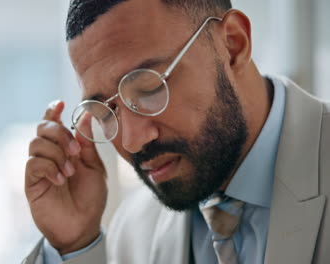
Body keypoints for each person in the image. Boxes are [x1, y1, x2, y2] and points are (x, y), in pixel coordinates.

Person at [23, 0, 330, 263]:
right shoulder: (133, 232)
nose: (131, 140)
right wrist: (76, 247)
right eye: (106, 111)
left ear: (233, 45)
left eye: (149, 88)